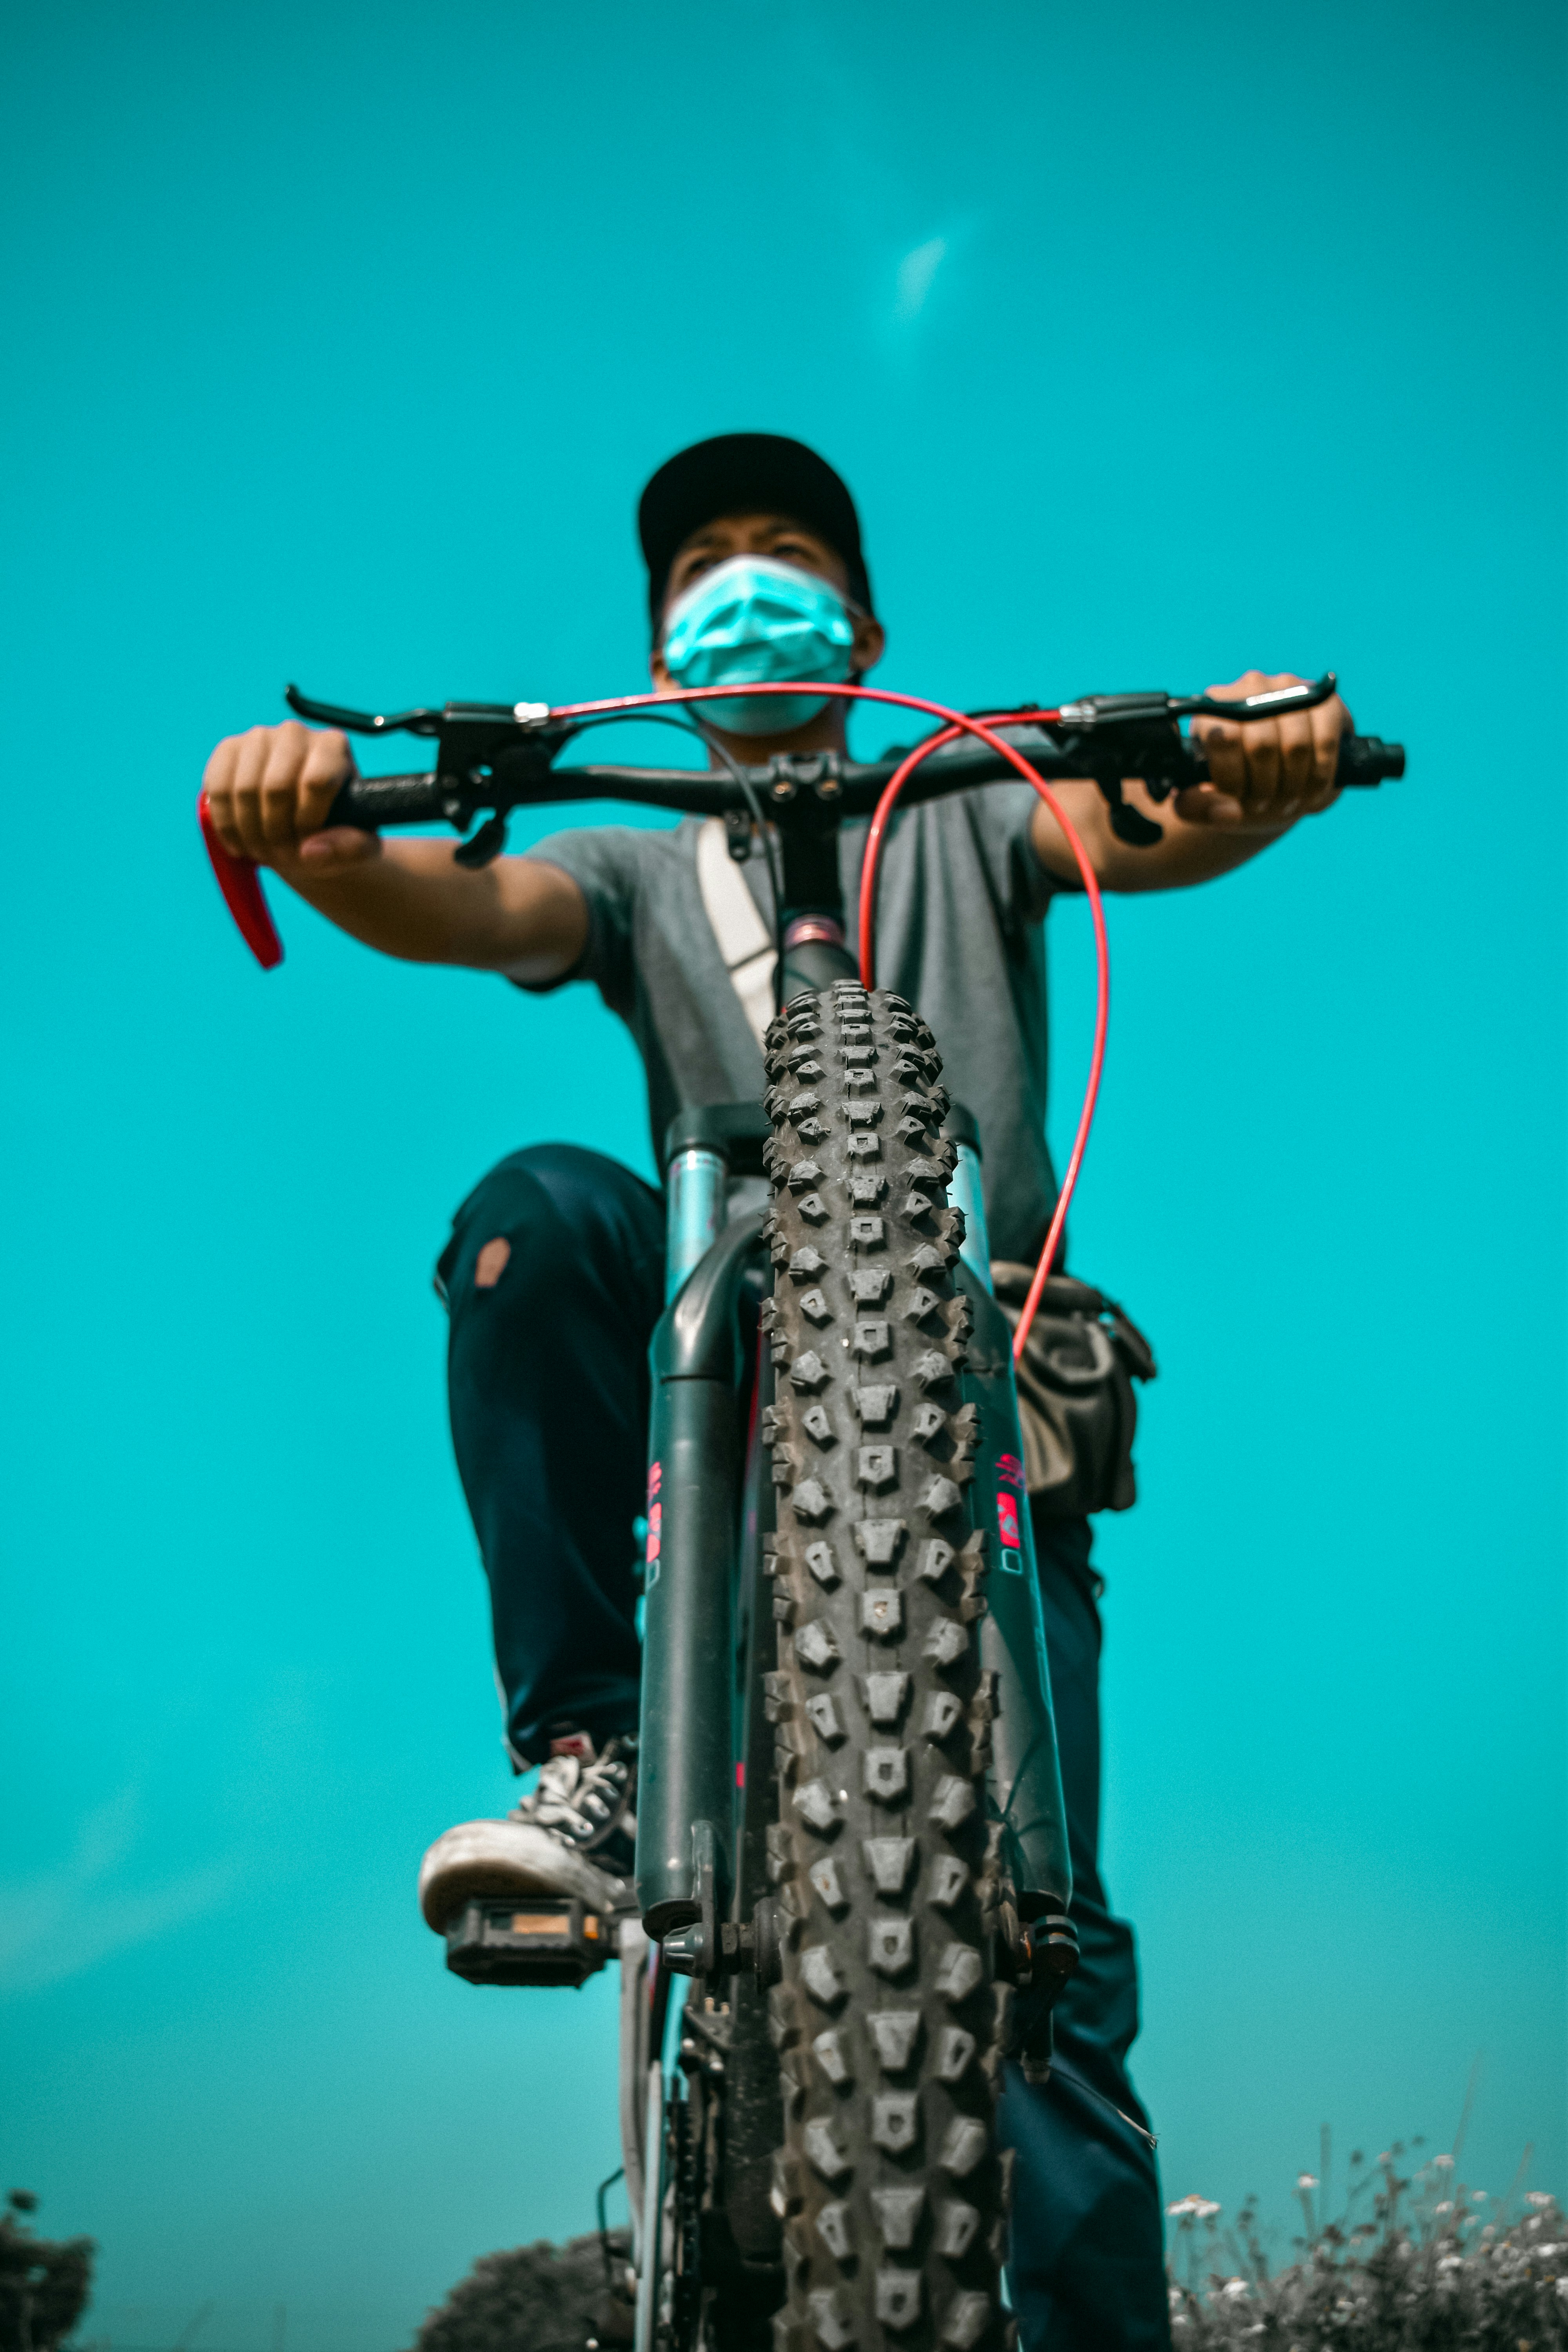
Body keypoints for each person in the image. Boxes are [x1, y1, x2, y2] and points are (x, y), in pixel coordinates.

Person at [202, 434, 1351, 2350]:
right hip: (719, 1405)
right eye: (704, 566)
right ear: (661, 653)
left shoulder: (963, 801)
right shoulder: (633, 860)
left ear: (866, 629)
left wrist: (1258, 755)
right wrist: (315, 833)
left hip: (974, 1417)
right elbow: (473, 908)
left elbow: (1150, 820)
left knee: (1044, 1952)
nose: (748, 583)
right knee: (529, 1219)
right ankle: (594, 1754)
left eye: (786, 551)